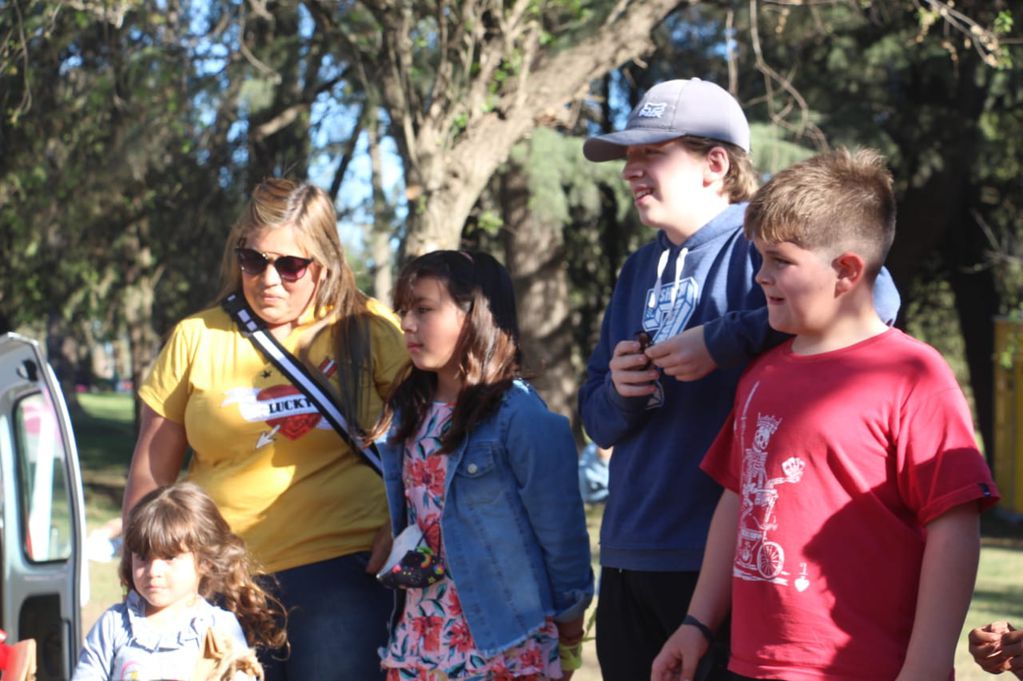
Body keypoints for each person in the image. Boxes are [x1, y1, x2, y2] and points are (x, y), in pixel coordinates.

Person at [579, 77, 902, 681]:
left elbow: (874, 298)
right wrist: (619, 395)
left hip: (722, 566)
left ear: (716, 163)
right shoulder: (637, 268)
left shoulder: (762, 242)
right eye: (628, 158)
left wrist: (721, 340)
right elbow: (594, 415)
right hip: (626, 552)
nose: (631, 171)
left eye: (651, 153)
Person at [650, 147, 1000, 681]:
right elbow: (737, 499)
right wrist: (697, 623)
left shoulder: (915, 376)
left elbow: (953, 525)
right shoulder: (760, 377)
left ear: (846, 271)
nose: (761, 277)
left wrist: (929, 662)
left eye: (780, 261)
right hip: (749, 666)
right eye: (758, 258)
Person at [122, 178, 409, 680]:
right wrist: (140, 571)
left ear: (325, 264)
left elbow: (435, 433)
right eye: (253, 260)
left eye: (290, 265)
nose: (269, 280)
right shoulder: (197, 337)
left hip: (343, 573)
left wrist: (406, 522)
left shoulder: (369, 329)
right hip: (217, 579)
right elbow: (151, 470)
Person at [372, 250, 594, 680]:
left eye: (424, 309)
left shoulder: (519, 415)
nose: (407, 324)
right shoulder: (407, 412)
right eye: (404, 311)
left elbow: (561, 532)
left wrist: (569, 624)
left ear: (475, 314)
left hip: (503, 640)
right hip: (418, 638)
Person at [73, 482, 286, 681]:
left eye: (169, 557)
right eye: (143, 557)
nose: (153, 571)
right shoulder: (113, 625)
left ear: (204, 561)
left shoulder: (220, 628)